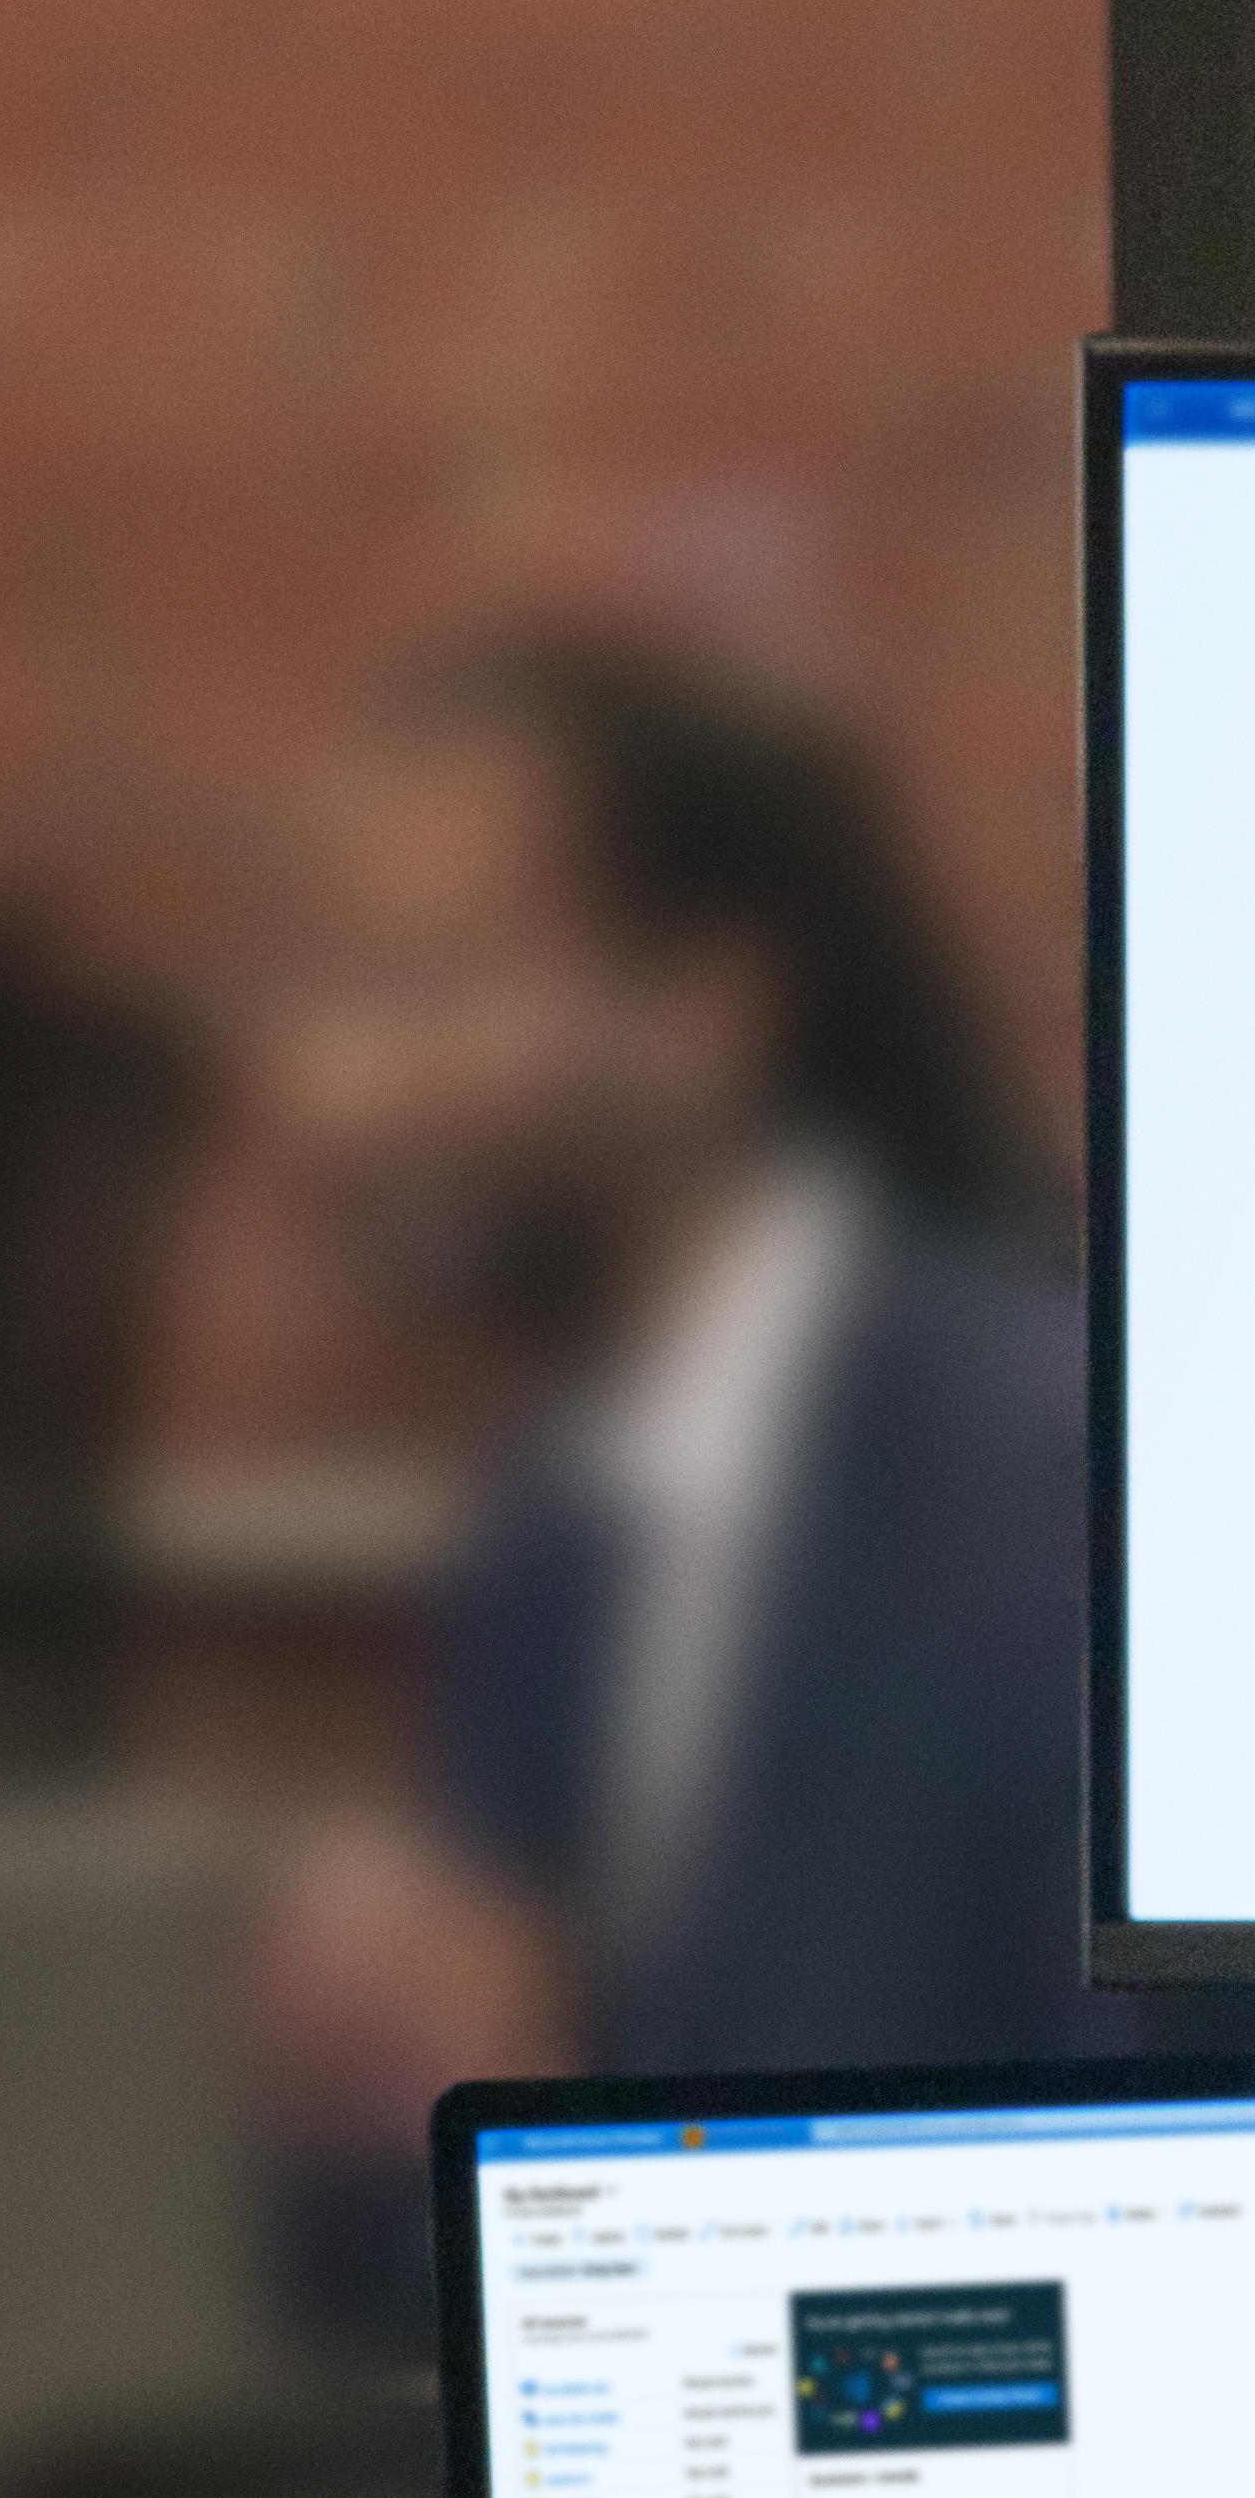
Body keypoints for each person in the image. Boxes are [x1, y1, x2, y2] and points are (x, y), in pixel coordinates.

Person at [246, 645, 1099, 2276]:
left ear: (710, 1010)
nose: (336, 1095)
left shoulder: (1045, 1496)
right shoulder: (552, 1531)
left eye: (431, 990)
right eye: (326, 999)